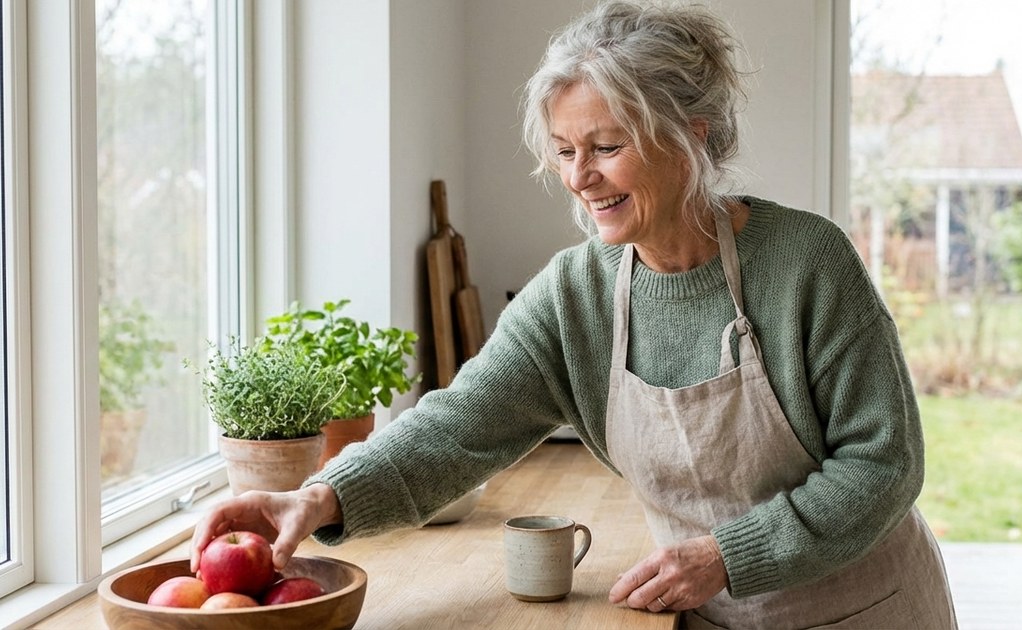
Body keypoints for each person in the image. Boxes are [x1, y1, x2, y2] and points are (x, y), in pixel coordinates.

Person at [191, 2, 958, 628]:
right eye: (563, 151)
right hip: (701, 615)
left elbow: (883, 464)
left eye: (606, 145)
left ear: (691, 134)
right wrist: (319, 495)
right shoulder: (576, 295)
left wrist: (726, 555)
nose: (580, 177)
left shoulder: (807, 264)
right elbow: (458, 426)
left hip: (867, 609)